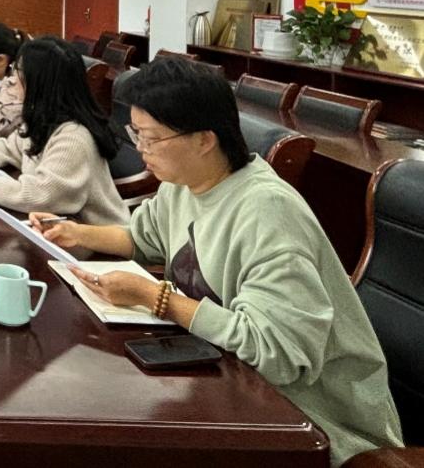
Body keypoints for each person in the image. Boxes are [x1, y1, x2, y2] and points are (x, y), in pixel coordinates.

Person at [30, 58, 402, 466]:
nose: (140, 150)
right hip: (227, 379)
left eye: (151, 138)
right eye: (136, 134)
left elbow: (274, 352)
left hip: (314, 421)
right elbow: (143, 238)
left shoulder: (267, 211)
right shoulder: (183, 183)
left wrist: (158, 298)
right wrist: (74, 232)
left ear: (204, 140)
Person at [0, 36, 126, 226]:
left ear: (40, 83)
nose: (13, 79)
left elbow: (40, 196)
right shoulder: (44, 120)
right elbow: (12, 147)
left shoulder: (74, 137)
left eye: (19, 71)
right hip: (61, 229)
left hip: (96, 237)